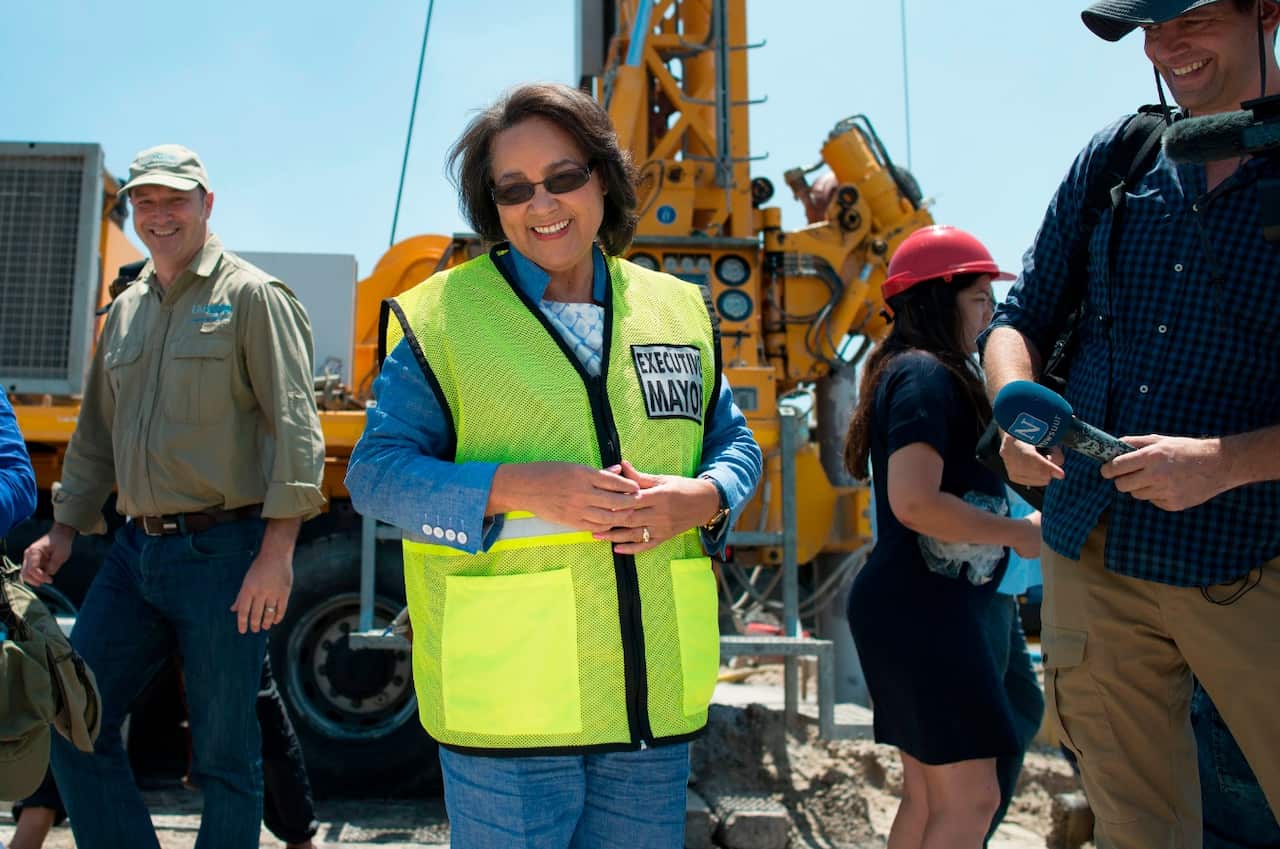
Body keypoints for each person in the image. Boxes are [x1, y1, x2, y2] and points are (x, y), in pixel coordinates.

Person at [345, 81, 762, 849]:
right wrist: (513, 484)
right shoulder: (442, 318)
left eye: (563, 177)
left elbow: (735, 445)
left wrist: (701, 498)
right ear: (493, 207)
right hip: (511, 713)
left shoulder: (677, 309)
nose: (543, 205)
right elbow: (375, 475)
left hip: (649, 704)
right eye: (515, 189)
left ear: (602, 177)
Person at [981, 1, 1280, 846]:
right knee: (1137, 832)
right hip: (1097, 554)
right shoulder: (1122, 156)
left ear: (1267, 11)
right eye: (1147, 29)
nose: (1164, 45)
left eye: (1189, 18)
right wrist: (1015, 408)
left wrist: (1223, 462)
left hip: (1252, 555)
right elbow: (1017, 319)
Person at [19, 143, 326, 849]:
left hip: (226, 552)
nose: (159, 215)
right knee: (73, 721)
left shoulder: (252, 297)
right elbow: (96, 431)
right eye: (145, 202)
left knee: (224, 758)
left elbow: (296, 430)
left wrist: (276, 553)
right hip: (133, 554)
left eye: (175, 200)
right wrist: (65, 530)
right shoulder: (125, 312)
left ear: (207, 204)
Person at [843, 224, 1042, 849]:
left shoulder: (912, 372)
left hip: (912, 606)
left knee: (930, 797)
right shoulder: (927, 378)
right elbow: (914, 502)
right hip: (926, 609)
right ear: (939, 298)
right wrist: (1018, 532)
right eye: (981, 298)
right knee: (973, 796)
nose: (990, 313)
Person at [984, 490, 1045, 845]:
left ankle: (971, 835)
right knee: (979, 740)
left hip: (999, 579)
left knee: (1022, 707)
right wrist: (1020, 531)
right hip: (975, 576)